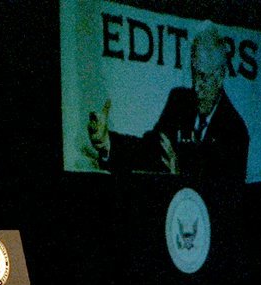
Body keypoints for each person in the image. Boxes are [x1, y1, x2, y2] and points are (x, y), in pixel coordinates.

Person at [88, 21, 250, 183]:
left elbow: (224, 201)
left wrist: (179, 177)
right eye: (194, 74)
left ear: (220, 76)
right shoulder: (179, 101)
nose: (197, 87)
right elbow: (148, 150)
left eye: (204, 77)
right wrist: (106, 143)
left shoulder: (235, 132)